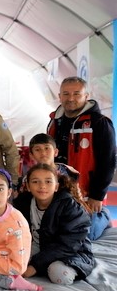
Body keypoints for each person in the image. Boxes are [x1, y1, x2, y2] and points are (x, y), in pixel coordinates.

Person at [47, 76, 116, 239]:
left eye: (77, 94)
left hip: (86, 192)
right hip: (59, 188)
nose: (71, 98)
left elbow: (108, 162)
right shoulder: (54, 121)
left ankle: (103, 216)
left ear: (86, 96)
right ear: (59, 96)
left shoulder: (100, 123)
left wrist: (97, 196)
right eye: (66, 94)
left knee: (85, 236)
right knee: (54, 232)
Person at [13, 164, 95, 285]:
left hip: (68, 252)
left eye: (48, 181)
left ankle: (103, 216)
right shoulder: (21, 203)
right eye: (35, 182)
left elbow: (69, 244)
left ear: (56, 186)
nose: (42, 186)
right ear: (28, 186)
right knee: (9, 264)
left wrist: (35, 266)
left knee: (59, 274)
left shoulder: (70, 206)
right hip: (37, 247)